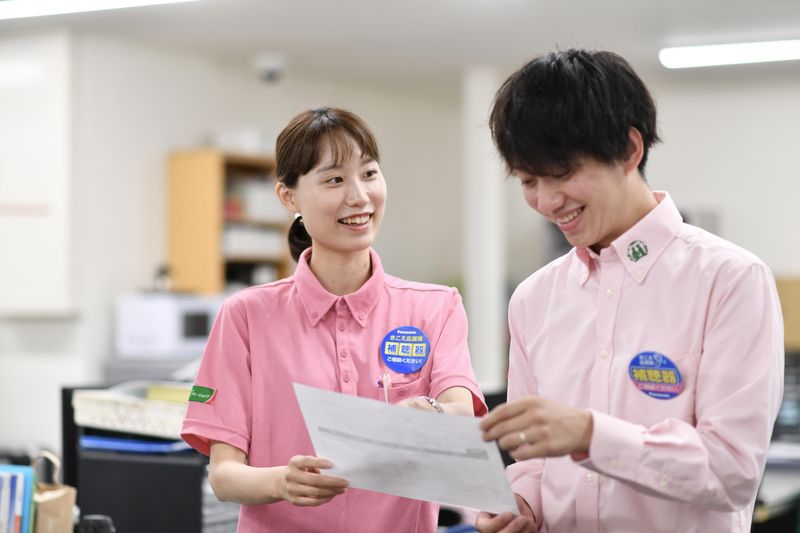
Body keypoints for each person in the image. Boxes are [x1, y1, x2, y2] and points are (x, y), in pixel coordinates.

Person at [476, 49, 784, 532]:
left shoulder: (730, 279)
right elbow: (533, 460)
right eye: (529, 180)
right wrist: (523, 502)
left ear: (628, 149)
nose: (547, 201)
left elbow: (732, 472)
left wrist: (590, 435)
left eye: (562, 174)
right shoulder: (533, 299)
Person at [181, 107, 487, 533]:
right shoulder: (246, 316)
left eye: (369, 173)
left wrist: (431, 412)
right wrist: (281, 481)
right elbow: (223, 475)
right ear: (288, 197)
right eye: (334, 180)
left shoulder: (436, 307)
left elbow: (461, 415)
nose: (359, 196)